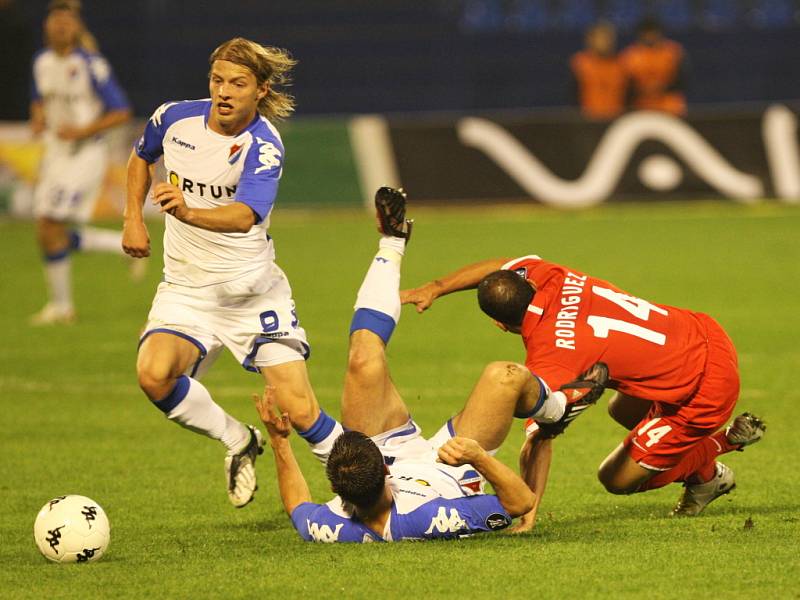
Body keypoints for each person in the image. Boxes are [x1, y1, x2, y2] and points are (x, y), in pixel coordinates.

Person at [252, 191, 606, 542]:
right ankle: (558, 408)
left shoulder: (334, 524)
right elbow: (520, 502)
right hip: (453, 464)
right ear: (385, 478)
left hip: (391, 452)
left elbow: (298, 508)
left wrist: (281, 442)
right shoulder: (431, 518)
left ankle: (392, 241)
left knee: (363, 357)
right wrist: (477, 457)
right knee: (504, 376)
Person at [123, 37, 340, 509]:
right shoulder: (173, 117)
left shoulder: (263, 146)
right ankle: (238, 439)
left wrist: (186, 212)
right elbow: (142, 157)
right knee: (153, 375)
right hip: (186, 289)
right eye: (217, 80)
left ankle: (368, 490)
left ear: (260, 89)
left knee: (301, 411)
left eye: (237, 83)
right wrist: (133, 218)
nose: (224, 92)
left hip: (251, 295)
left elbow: (245, 216)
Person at [401, 254, 765, 531]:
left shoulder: (552, 357)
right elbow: (500, 265)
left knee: (615, 478)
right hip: (702, 332)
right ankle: (701, 466)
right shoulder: (550, 276)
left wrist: (528, 512)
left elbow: (539, 440)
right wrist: (436, 287)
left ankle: (716, 453)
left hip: (703, 390)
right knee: (620, 410)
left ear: (499, 324)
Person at [29, 0, 133, 325]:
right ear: (47, 26)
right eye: (55, 20)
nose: (61, 26)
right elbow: (38, 98)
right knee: (47, 230)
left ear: (76, 28)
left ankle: (62, 307)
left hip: (85, 154)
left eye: (67, 21)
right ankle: (119, 244)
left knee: (50, 224)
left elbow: (120, 111)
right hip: (56, 153)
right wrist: (38, 118)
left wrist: (82, 130)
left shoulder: (91, 64)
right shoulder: (42, 62)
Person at [620, 17, 688, 116]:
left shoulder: (673, 52)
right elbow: (625, 85)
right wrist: (644, 90)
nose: (650, 36)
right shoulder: (630, 56)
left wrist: (662, 87)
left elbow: (682, 79)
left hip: (670, 105)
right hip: (641, 106)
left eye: (652, 32)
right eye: (647, 33)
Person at [569, 21, 627, 120]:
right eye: (600, 38)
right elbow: (573, 95)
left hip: (616, 121)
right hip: (587, 120)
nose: (605, 42)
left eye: (608, 38)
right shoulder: (580, 64)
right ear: (590, 40)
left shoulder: (622, 65)